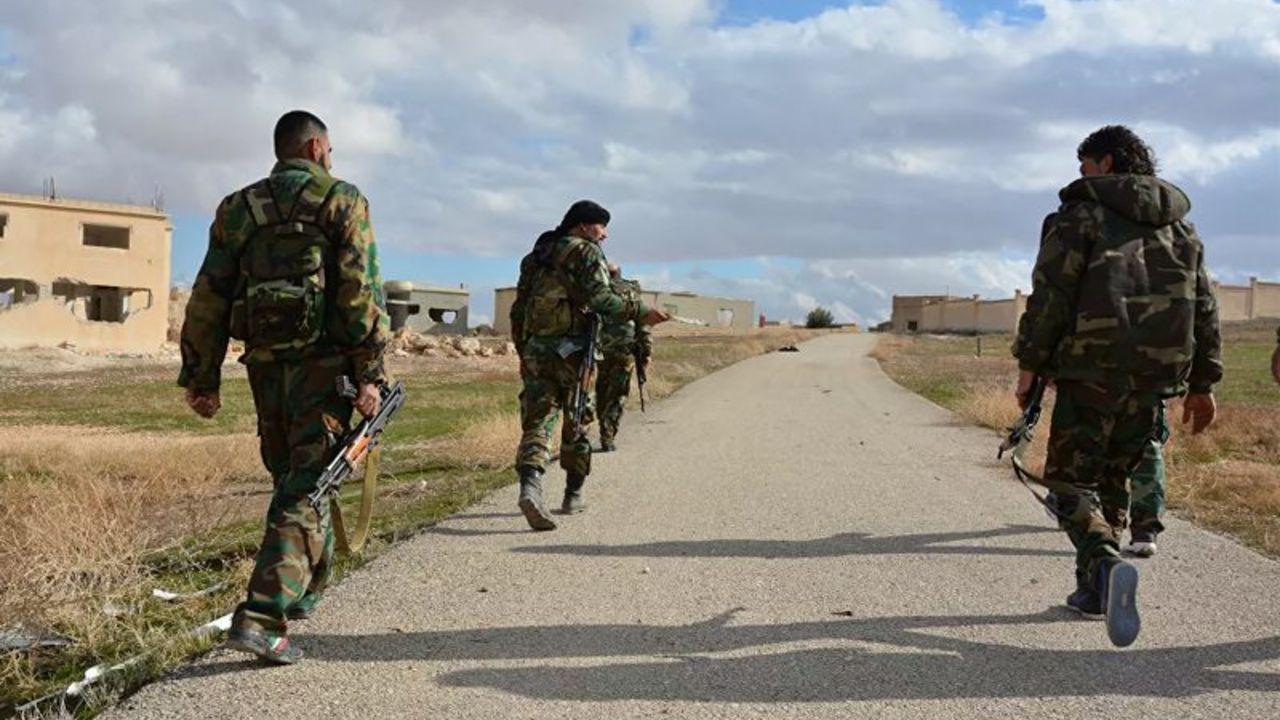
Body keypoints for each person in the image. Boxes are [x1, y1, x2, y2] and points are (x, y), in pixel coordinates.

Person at [179, 110, 390, 664]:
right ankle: (263, 615)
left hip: (266, 367)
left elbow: (209, 297)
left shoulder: (237, 208)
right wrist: (370, 372)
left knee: (294, 477)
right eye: (331, 150)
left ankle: (304, 593)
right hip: (325, 369)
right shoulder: (342, 200)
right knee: (308, 483)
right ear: (318, 146)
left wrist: (201, 376)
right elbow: (360, 291)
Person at [1013, 125, 1222, 647]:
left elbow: (1052, 294)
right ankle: (1093, 590)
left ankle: (1104, 561)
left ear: (1106, 163)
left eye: (1085, 165)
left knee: (1067, 484)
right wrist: (1204, 383)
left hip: (1091, 368)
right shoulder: (1183, 229)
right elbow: (1205, 308)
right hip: (1158, 375)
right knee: (1113, 478)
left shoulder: (1081, 215)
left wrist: (1030, 362)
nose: (1081, 175)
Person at [509, 200, 669, 530]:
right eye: (601, 226)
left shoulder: (535, 257)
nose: (605, 234)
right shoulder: (587, 252)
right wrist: (641, 311)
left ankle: (530, 485)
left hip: (537, 349)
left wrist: (525, 349)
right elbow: (601, 299)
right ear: (583, 226)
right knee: (579, 418)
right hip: (575, 352)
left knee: (538, 419)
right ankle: (573, 493)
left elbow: (518, 309)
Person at [595, 264, 652, 452]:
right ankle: (608, 433)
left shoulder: (596, 291)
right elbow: (642, 323)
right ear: (619, 274)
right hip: (624, 350)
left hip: (599, 350)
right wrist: (646, 352)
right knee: (618, 393)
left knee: (602, 388)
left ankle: (603, 425)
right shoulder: (631, 291)